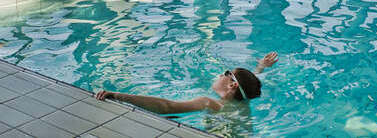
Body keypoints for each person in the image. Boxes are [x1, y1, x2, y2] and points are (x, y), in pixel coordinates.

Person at [95, 52, 278, 114]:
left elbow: (167, 107)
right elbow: (250, 84)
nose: (221, 74)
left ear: (232, 85)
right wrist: (260, 67)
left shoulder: (210, 103)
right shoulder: (243, 104)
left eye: (226, 73)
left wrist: (118, 95)